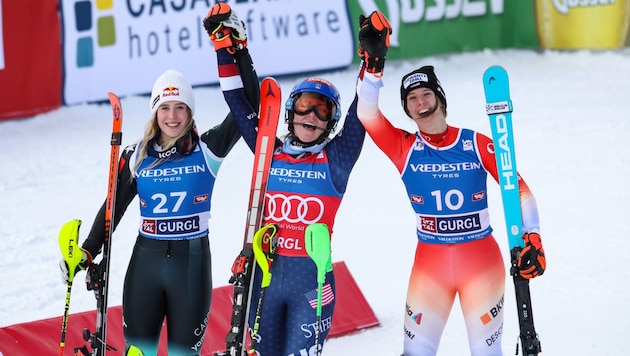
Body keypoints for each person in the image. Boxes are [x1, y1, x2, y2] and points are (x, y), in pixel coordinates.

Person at [58, 23, 260, 355]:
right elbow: (114, 207)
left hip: (191, 265)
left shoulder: (209, 147)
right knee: (138, 352)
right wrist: (87, 252)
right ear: (155, 111)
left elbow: (249, 104)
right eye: (165, 107)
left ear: (190, 111)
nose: (172, 116)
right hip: (145, 265)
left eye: (180, 107)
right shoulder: (136, 156)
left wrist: (237, 51)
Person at [354, 11, 546, 356]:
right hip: (430, 266)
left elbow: (519, 188)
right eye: (412, 100)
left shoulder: (476, 143)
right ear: (408, 110)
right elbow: (367, 113)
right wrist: (373, 67)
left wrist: (532, 236)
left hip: (481, 263)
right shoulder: (404, 148)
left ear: (440, 98)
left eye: (425, 94)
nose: (420, 103)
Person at [204, 4, 367, 355]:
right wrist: (224, 50)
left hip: (313, 288)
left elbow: (362, 112)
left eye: (323, 110)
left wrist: (372, 66)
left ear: (331, 121)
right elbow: (237, 98)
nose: (312, 115)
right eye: (306, 105)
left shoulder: (336, 159)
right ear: (290, 113)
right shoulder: (268, 150)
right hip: (265, 282)